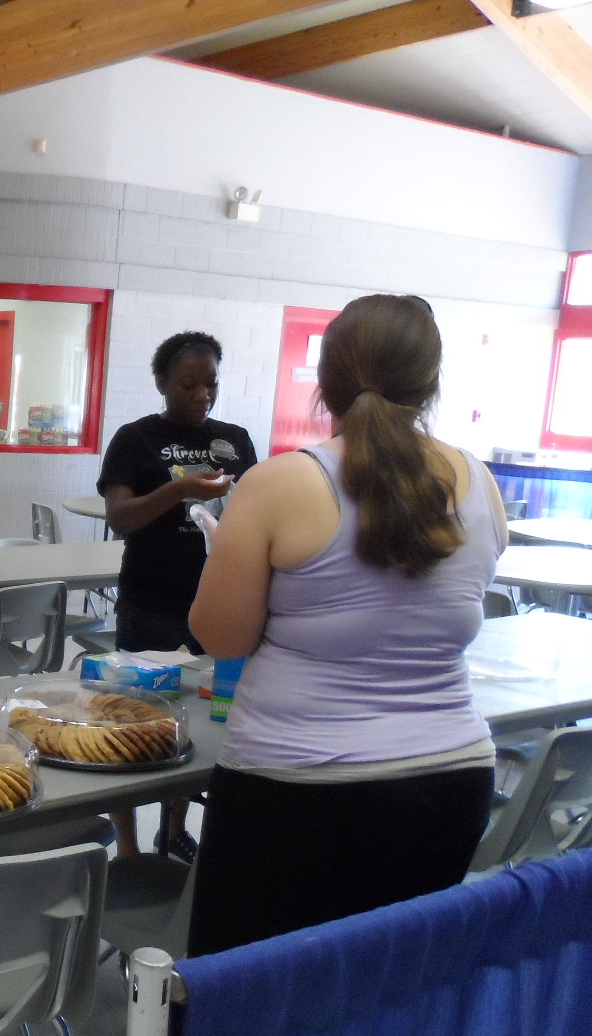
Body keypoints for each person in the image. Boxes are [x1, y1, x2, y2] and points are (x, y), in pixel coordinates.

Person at [185, 293, 505, 957]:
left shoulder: (279, 484)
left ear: (324, 384)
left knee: (248, 997)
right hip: (451, 780)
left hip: (301, 790)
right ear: (430, 384)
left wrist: (230, 561)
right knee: (386, 993)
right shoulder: (479, 481)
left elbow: (223, 639)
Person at [97, 332, 257, 859]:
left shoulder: (234, 440)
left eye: (210, 382)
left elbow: (252, 514)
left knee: (200, 725)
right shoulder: (135, 439)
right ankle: (127, 848)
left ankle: (173, 829)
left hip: (215, 607)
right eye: (189, 384)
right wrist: (179, 490)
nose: (202, 394)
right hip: (150, 602)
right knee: (132, 719)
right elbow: (120, 517)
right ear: (162, 382)